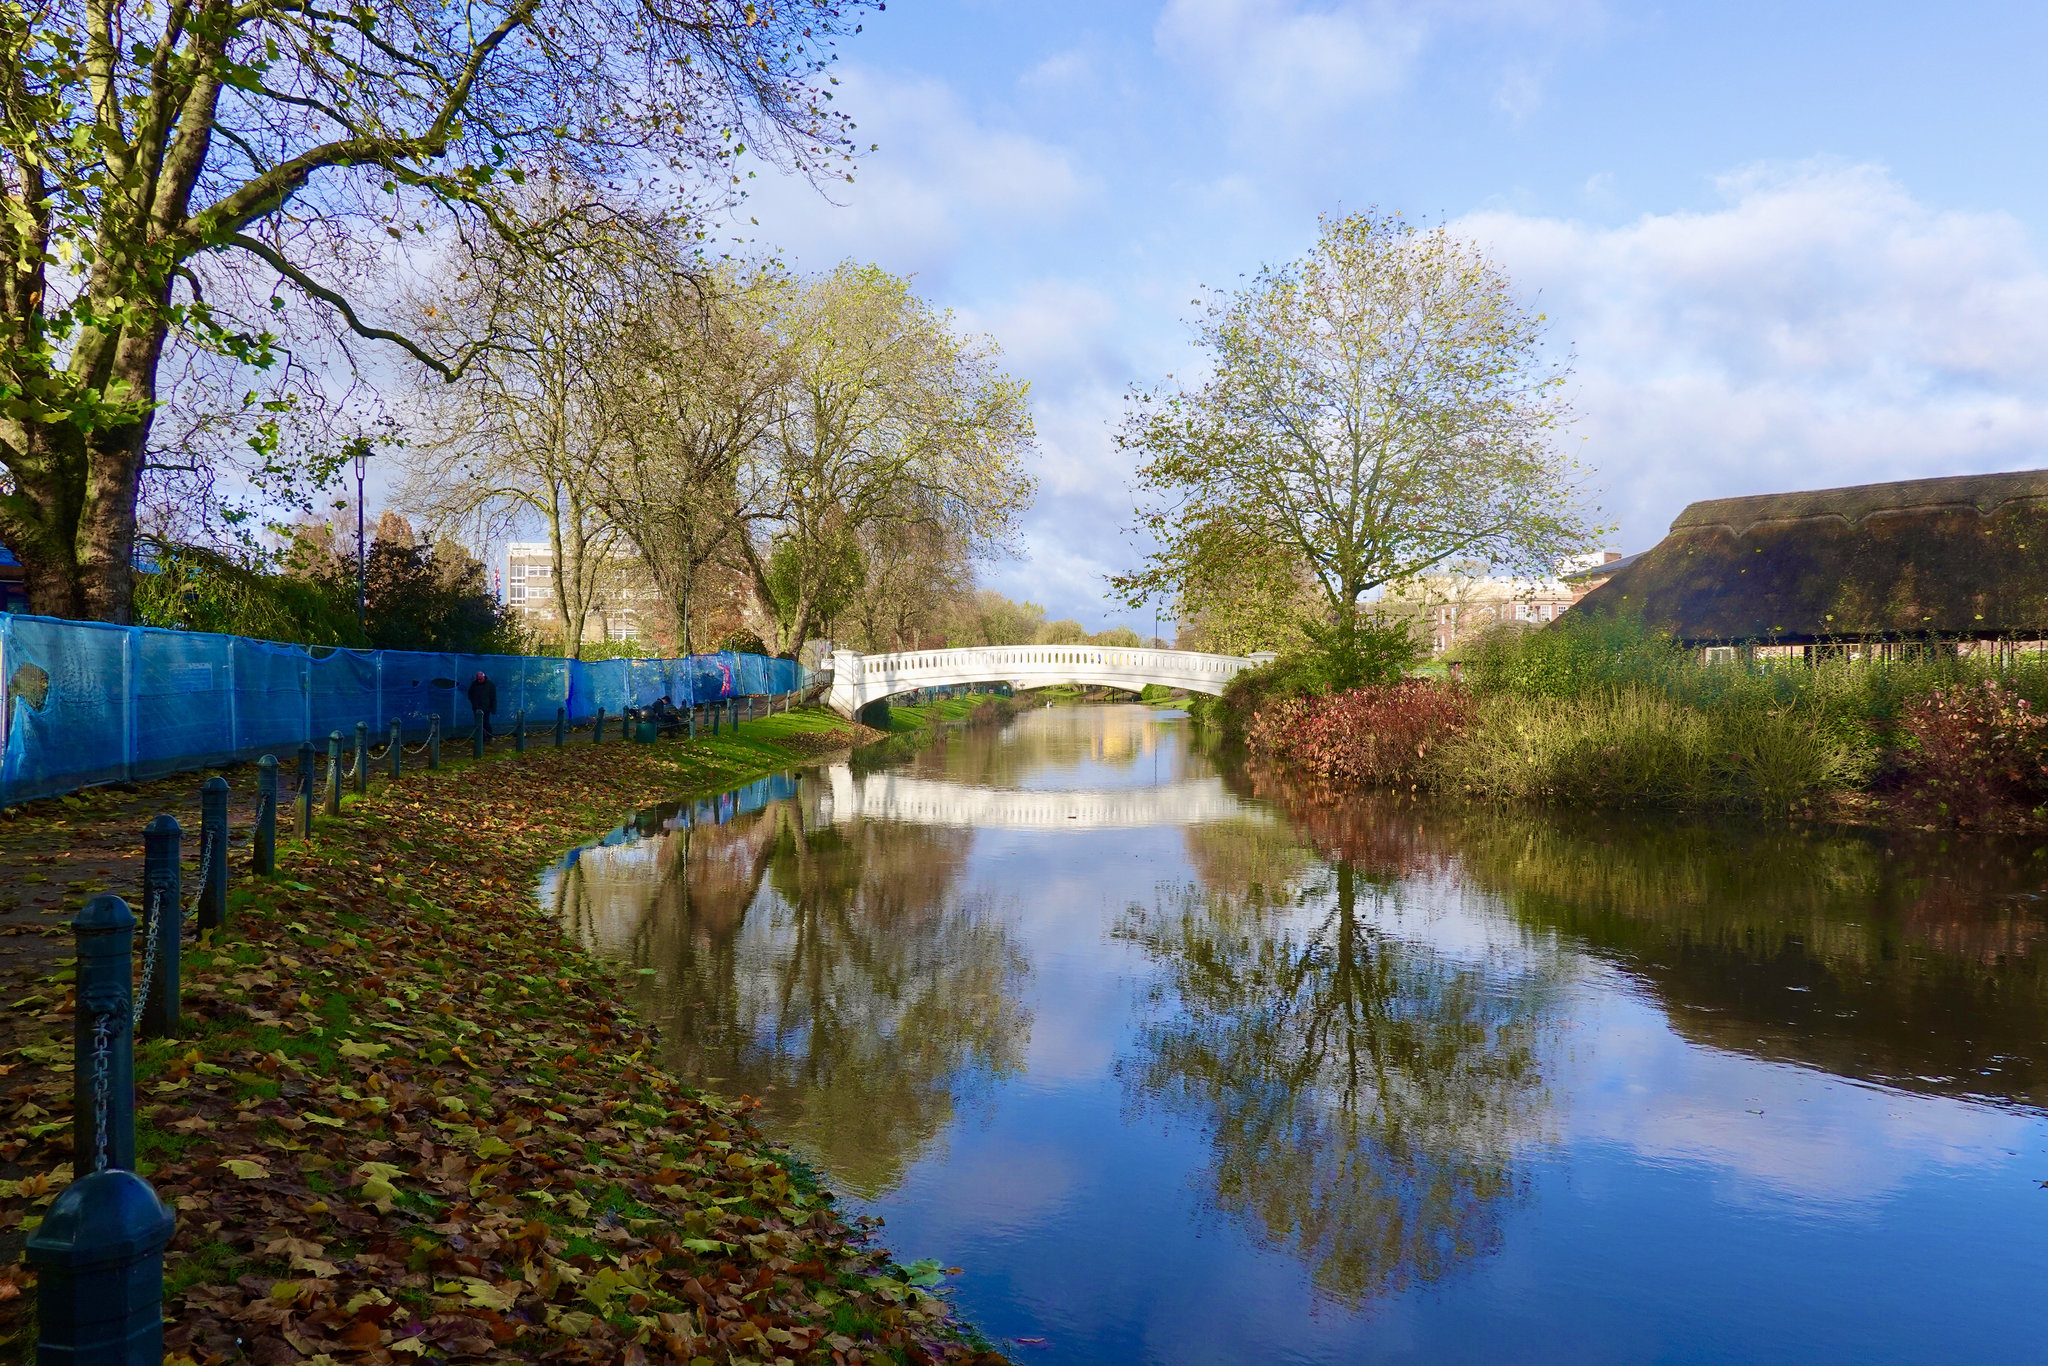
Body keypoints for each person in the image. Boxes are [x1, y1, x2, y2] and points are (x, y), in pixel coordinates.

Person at [466, 671, 498, 740]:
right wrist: (474, 703)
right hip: (476, 708)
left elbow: (493, 697)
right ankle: (481, 738)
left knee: (485, 723)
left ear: (484, 677)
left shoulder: (490, 685)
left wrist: (493, 708)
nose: (479, 680)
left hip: (486, 708)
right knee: (478, 724)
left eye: (480, 679)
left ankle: (490, 736)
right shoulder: (474, 684)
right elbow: (470, 694)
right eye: (478, 679)